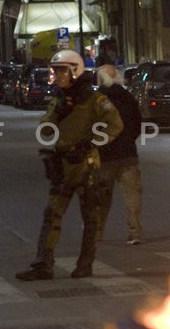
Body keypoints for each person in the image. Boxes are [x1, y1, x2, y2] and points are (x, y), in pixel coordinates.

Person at [16, 50, 123, 281]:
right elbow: (46, 125)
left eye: (62, 70)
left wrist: (91, 142)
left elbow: (115, 125)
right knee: (52, 214)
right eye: (55, 70)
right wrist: (51, 126)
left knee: (90, 217)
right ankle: (43, 265)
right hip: (63, 165)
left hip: (86, 166)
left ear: (75, 70)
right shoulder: (60, 99)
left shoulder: (95, 100)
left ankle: (85, 264)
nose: (57, 75)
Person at [94, 63, 144, 246]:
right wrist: (128, 139)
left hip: (104, 156)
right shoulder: (128, 97)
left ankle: (97, 233)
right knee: (132, 196)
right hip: (128, 154)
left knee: (101, 197)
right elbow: (138, 125)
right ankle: (135, 233)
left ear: (101, 79)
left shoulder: (96, 99)